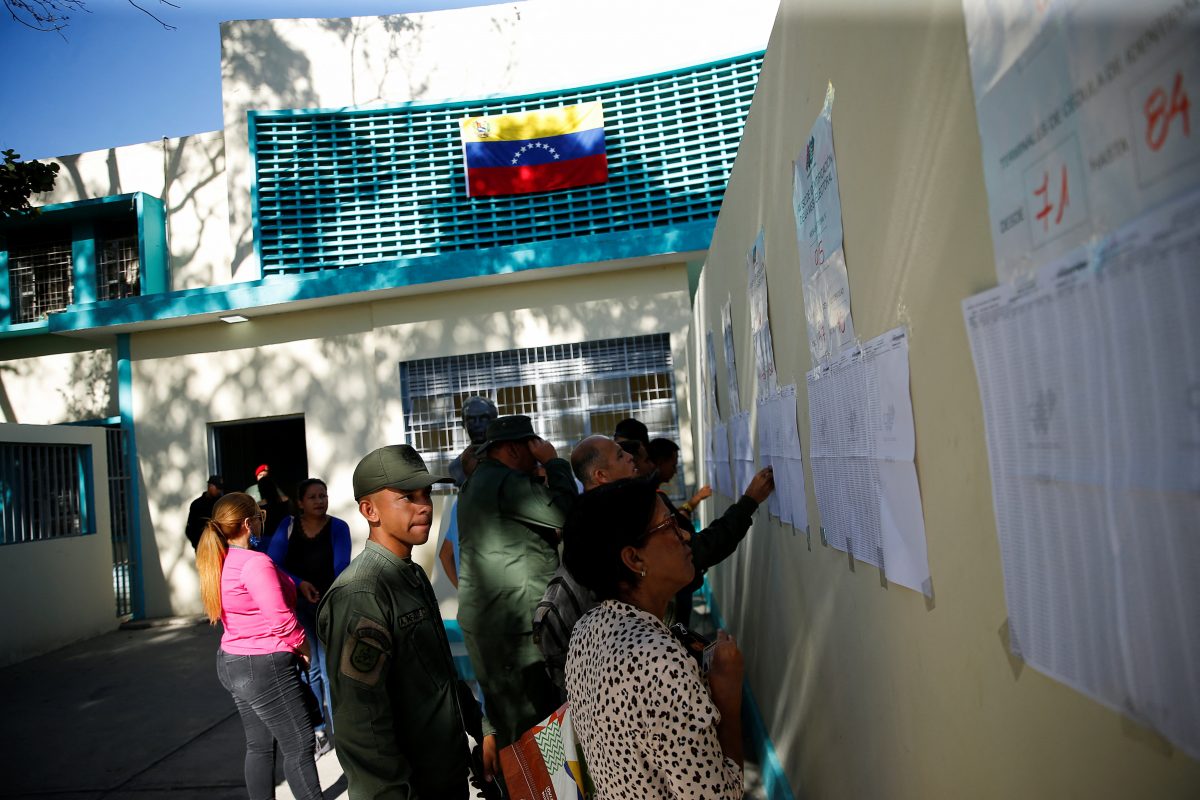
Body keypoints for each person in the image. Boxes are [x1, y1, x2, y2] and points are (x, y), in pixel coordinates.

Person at [317, 445, 497, 799]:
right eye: (408, 497)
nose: (425, 505)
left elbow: (438, 673)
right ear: (370, 510)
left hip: (446, 775)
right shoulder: (362, 594)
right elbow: (361, 723)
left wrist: (482, 727)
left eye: (427, 493)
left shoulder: (410, 574)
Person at [534, 436, 773, 693]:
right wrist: (726, 689)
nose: (631, 458)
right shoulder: (655, 662)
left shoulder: (602, 633)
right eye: (620, 455)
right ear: (633, 559)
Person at [563, 479, 745, 798]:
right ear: (634, 559)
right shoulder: (661, 662)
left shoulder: (586, 629)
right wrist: (728, 697)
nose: (686, 535)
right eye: (670, 525)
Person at [456, 414, 576, 746]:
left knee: (508, 725)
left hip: (489, 624)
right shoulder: (506, 484)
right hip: (514, 629)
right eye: (531, 447)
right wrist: (554, 464)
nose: (536, 453)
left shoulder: (476, 482)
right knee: (536, 727)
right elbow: (567, 512)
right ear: (511, 449)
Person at [197, 492, 322, 800]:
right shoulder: (254, 563)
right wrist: (305, 649)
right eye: (259, 516)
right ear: (247, 524)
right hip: (265, 665)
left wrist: (294, 582)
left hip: (233, 659)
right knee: (299, 743)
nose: (261, 521)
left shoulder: (221, 561)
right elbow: (281, 621)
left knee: (260, 745)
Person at [267, 478, 351, 751]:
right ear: (300, 502)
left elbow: (342, 568)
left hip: (329, 605)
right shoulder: (288, 527)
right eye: (313, 497)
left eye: (323, 495)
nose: (320, 501)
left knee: (330, 670)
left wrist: (328, 596)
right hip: (299, 607)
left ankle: (342, 734)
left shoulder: (338, 528)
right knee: (310, 670)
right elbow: (273, 565)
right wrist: (298, 583)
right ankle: (319, 730)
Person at [647, 436, 713, 626]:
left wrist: (696, 499)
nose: (675, 471)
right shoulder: (653, 499)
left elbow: (680, 518)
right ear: (659, 463)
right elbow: (681, 522)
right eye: (673, 464)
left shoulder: (658, 496)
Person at [439, 396, 498, 587]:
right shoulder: (458, 467)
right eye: (472, 419)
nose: (478, 424)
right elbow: (445, 554)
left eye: (483, 418)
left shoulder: (505, 462)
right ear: (463, 423)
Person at [185, 474, 224, 550]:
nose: (220, 491)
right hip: (203, 548)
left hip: (219, 547)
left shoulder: (222, 503)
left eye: (221, 489)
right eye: (218, 488)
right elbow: (189, 529)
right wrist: (197, 545)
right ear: (210, 486)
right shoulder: (197, 505)